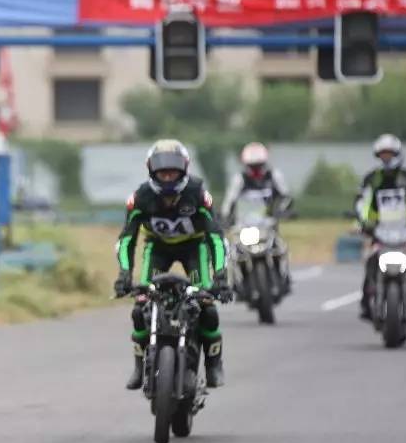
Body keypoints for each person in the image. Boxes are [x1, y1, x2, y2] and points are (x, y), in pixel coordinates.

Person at [114, 139, 231, 390]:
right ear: (151, 171)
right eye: (162, 172)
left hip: (194, 247)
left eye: (173, 172)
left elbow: (216, 238)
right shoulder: (139, 199)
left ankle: (213, 364)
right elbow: (126, 240)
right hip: (158, 249)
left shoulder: (199, 195)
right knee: (140, 308)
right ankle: (139, 365)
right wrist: (124, 274)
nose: (168, 178)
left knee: (207, 308)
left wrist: (220, 275)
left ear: (184, 170)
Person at [354, 134, 406, 321]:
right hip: (380, 233)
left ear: (397, 154)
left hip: (405, 232)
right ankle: (366, 300)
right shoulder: (372, 179)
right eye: (383, 155)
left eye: (389, 154)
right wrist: (364, 223)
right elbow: (363, 204)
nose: (386, 158)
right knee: (370, 261)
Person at [223, 142, 293, 291]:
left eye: (259, 165)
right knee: (234, 252)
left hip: (267, 223)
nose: (255, 170)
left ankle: (285, 276)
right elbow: (230, 201)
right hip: (245, 223)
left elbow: (285, 197)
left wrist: (281, 211)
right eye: (252, 166)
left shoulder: (274, 176)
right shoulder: (239, 179)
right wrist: (225, 217)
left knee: (280, 247)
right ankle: (235, 283)